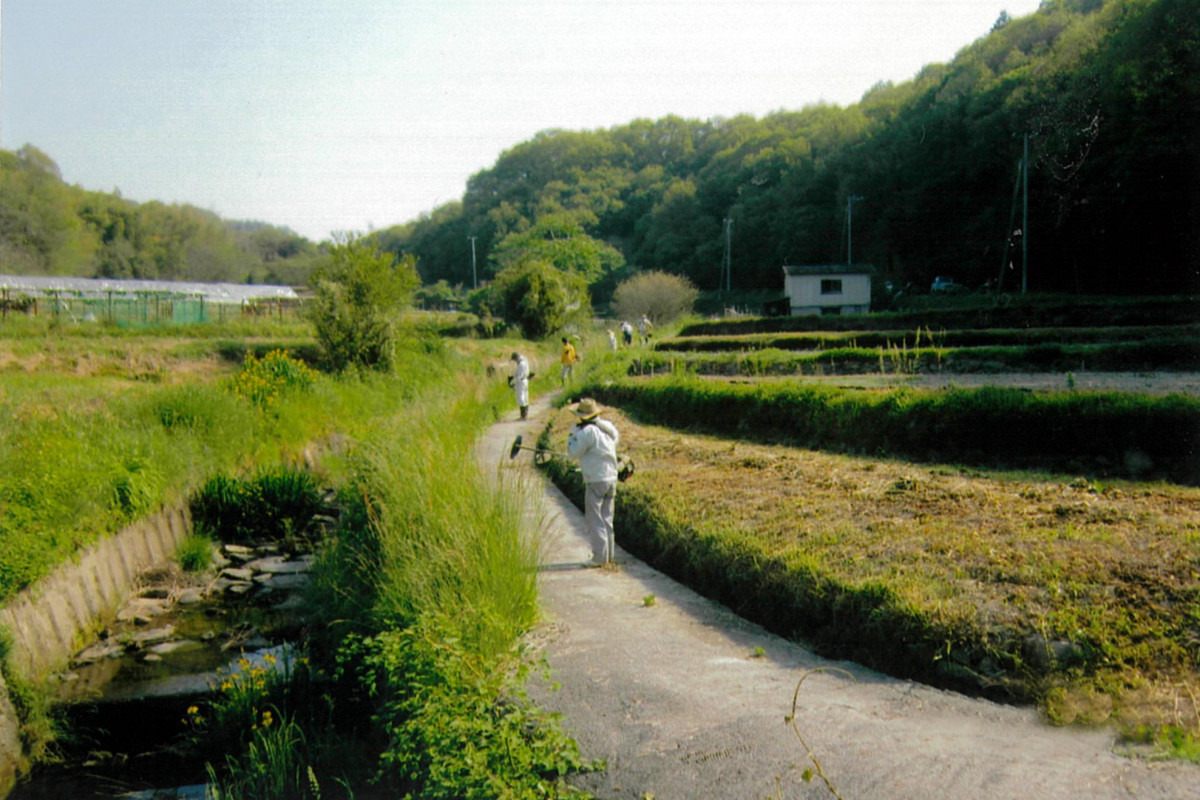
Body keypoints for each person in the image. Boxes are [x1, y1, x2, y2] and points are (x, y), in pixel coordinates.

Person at [567, 398, 620, 567]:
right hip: (611, 477)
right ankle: (609, 555)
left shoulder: (586, 432)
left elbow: (572, 452)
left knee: (594, 518)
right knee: (607, 517)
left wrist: (571, 436)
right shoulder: (608, 428)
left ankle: (599, 557)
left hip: (596, 479)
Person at [509, 351, 530, 420]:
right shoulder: (525, 361)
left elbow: (519, 376)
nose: (514, 361)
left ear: (516, 357)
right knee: (525, 396)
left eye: (514, 359)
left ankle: (523, 415)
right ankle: (525, 413)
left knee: (520, 397)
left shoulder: (521, 364)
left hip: (521, 382)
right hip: (525, 380)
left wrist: (513, 384)